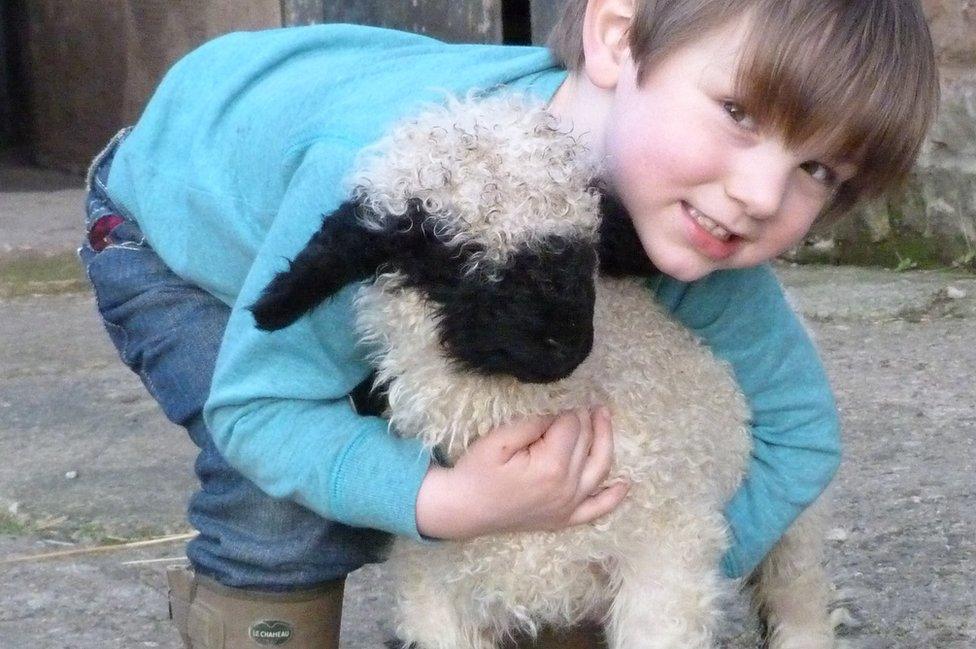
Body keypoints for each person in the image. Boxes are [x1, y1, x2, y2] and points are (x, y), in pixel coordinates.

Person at [79, 0, 938, 647]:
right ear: (616, 36)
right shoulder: (383, 184)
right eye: (742, 113)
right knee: (292, 491)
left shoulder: (697, 222)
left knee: (562, 457)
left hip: (347, 129)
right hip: (178, 228)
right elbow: (259, 408)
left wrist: (663, 555)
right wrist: (448, 500)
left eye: (818, 169)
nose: (761, 194)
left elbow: (799, 430)